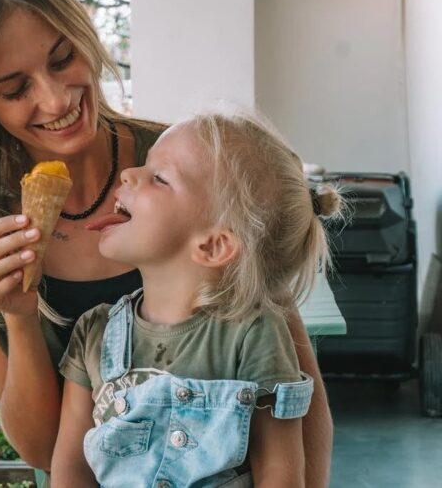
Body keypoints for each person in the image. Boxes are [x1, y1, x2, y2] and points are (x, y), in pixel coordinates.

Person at [0, 0, 334, 485]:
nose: (56, 99)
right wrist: (19, 318)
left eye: (62, 58)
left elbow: (298, 402)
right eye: (15, 89)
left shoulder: (189, 166)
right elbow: (46, 450)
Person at [51, 112, 342, 487]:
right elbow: (71, 469)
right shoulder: (93, 333)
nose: (129, 174)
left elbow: (281, 474)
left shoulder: (254, 333)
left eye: (159, 177)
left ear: (214, 245)